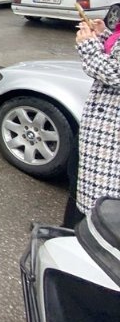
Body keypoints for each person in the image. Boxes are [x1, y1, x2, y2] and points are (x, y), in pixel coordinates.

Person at [62, 18, 120, 227]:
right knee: (78, 174)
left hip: (111, 130)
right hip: (99, 126)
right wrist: (103, 35)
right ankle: (67, 229)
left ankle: (81, 240)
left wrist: (88, 47)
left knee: (97, 193)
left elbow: (115, 73)